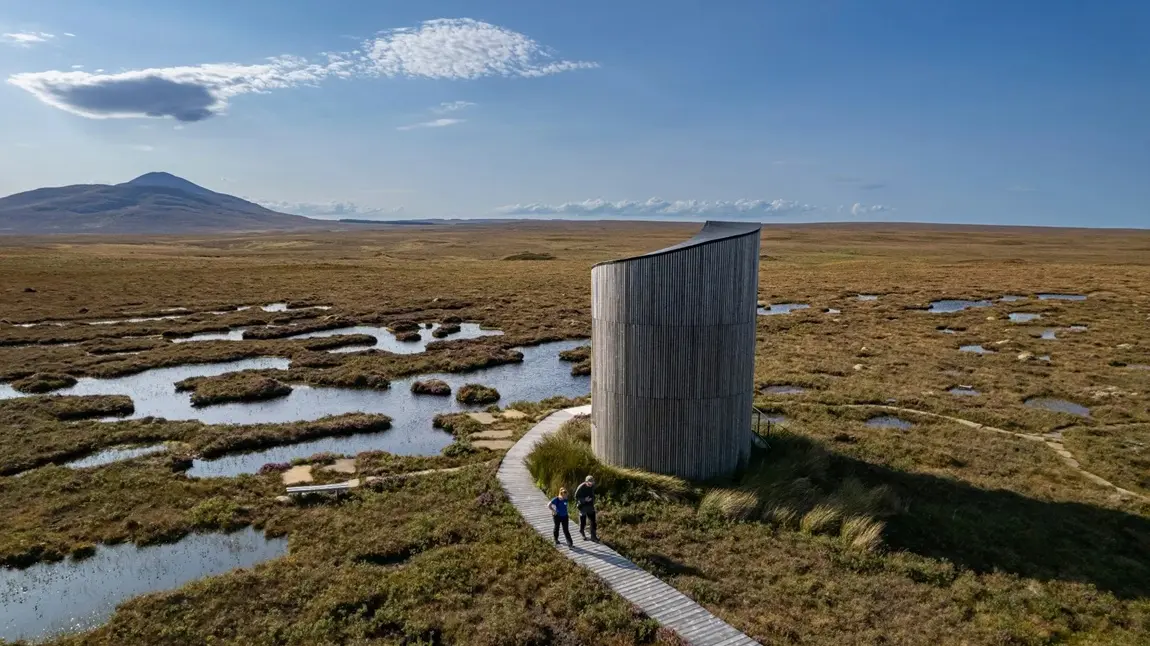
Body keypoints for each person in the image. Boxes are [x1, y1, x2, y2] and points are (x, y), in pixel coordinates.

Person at [574, 475, 598, 541]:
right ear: (586, 482)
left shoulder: (592, 486)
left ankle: (593, 536)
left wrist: (592, 499)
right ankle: (582, 532)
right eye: (589, 483)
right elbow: (576, 497)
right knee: (583, 522)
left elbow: (593, 495)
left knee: (593, 521)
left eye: (592, 483)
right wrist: (584, 500)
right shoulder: (581, 487)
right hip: (582, 506)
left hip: (590, 505)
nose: (591, 484)